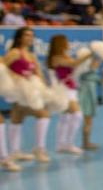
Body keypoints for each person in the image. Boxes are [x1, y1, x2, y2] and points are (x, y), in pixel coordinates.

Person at [4, 27, 52, 163]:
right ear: (19, 37)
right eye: (27, 35)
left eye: (32, 35)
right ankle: (39, 148)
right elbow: (2, 67)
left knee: (17, 118)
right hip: (19, 90)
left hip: (31, 90)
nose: (30, 38)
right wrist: (16, 77)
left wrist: (44, 89)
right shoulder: (14, 52)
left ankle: (15, 151)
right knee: (43, 114)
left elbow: (38, 73)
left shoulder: (31, 55)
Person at [46, 35, 93, 156]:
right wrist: (89, 54)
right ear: (60, 44)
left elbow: (74, 67)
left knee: (65, 118)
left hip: (71, 88)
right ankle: (68, 143)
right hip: (63, 89)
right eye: (66, 41)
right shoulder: (56, 58)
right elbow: (74, 64)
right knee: (77, 115)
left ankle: (61, 144)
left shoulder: (64, 56)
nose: (68, 43)